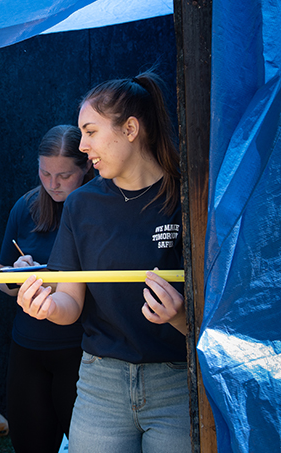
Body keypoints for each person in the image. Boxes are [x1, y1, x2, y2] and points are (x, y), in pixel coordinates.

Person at [16, 72, 190, 452]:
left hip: (177, 381)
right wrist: (44, 307)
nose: (83, 145)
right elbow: (70, 305)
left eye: (91, 132)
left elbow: (219, 317)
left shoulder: (188, 195)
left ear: (130, 128)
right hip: (101, 383)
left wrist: (180, 315)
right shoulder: (81, 204)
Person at [0, 125, 93, 453]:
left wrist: (51, 280)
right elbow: (0, 277)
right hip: (28, 347)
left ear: (87, 167)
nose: (52, 184)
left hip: (82, 350)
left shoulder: (97, 208)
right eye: (44, 172)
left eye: (64, 175)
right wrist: (15, 275)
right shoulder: (26, 206)